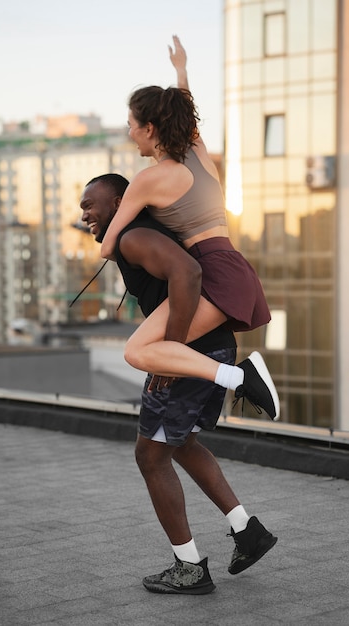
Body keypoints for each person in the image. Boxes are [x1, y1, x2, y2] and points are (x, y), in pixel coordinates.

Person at [79, 173, 278, 595]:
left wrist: (171, 350)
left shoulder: (133, 236)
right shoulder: (139, 233)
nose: (84, 214)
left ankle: (189, 568)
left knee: (150, 456)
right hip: (211, 346)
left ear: (119, 202)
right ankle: (247, 531)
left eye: (90, 204)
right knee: (180, 442)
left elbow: (187, 273)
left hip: (191, 354)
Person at [100, 36, 280, 422]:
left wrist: (125, 223)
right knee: (158, 350)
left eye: (132, 125)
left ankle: (240, 376)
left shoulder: (148, 180)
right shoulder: (198, 152)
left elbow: (107, 245)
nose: (129, 132)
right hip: (232, 265)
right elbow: (186, 109)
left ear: (149, 129)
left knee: (137, 351)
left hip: (211, 273)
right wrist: (181, 70)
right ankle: (237, 376)